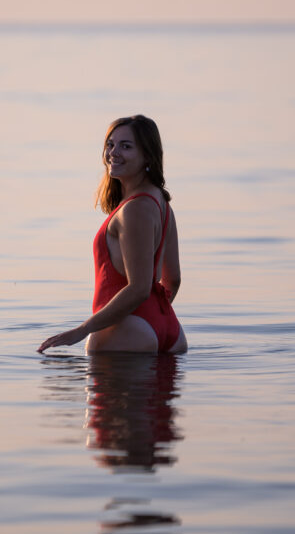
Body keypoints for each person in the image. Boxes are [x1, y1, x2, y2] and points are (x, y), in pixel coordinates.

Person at [38, 115, 188, 354]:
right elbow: (174, 280)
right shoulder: (162, 204)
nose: (113, 152)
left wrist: (82, 330)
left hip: (129, 329)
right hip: (167, 327)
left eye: (126, 146)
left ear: (147, 155)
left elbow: (139, 288)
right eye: (110, 144)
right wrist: (153, 318)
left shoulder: (135, 209)